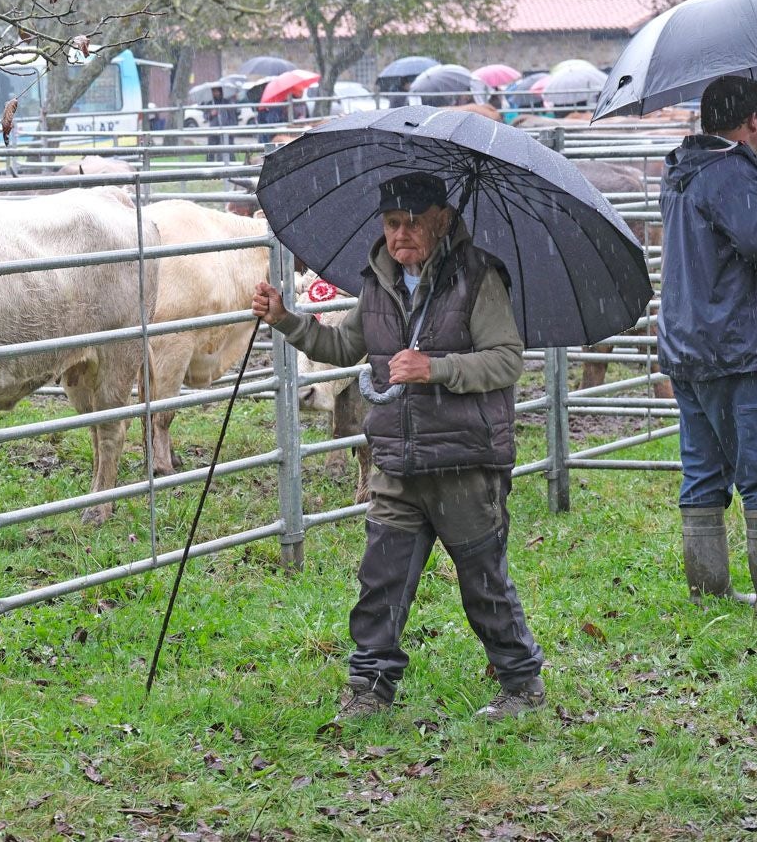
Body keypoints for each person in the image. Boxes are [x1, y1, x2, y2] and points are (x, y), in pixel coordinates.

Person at [250, 171, 545, 721]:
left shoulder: (479, 279)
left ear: (443, 221)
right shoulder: (377, 284)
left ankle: (522, 684)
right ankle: (369, 690)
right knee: (381, 579)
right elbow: (341, 346)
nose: (400, 235)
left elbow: (507, 359)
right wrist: (287, 321)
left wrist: (437, 368)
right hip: (396, 458)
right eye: (391, 223)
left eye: (413, 223)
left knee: (483, 583)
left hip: (463, 461)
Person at [658, 75, 757, 616]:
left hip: (691, 343)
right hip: (744, 344)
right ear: (752, 122)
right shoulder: (730, 171)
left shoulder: (683, 169)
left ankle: (709, 589)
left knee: (704, 468)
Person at [204, 86, 239, 163]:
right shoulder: (210, 103)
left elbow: (233, 115)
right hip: (214, 129)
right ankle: (209, 165)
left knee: (229, 147)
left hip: (226, 128)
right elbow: (206, 116)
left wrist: (231, 127)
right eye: (213, 91)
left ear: (220, 91)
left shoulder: (227, 102)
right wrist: (211, 114)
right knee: (211, 148)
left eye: (216, 91)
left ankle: (233, 164)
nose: (214, 93)